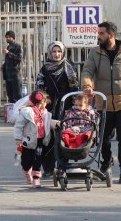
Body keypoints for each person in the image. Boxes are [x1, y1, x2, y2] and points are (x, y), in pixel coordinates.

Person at [81, 21, 121, 184]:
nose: (99, 36)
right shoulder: (95, 53)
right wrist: (87, 85)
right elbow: (87, 70)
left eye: (101, 33)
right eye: (98, 33)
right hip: (104, 103)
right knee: (103, 138)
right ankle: (107, 160)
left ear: (111, 35)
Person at [36, 41, 79, 177]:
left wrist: (76, 106)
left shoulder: (69, 67)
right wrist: (41, 102)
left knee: (64, 134)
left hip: (66, 106)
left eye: (59, 51)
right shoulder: (45, 68)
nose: (56, 54)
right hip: (48, 106)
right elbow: (39, 88)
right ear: (49, 53)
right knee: (47, 136)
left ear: (63, 52)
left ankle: (63, 165)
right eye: (54, 52)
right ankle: (48, 167)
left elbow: (75, 88)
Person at [14, 90, 59, 188]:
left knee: (38, 160)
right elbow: (19, 126)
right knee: (26, 161)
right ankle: (27, 171)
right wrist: (18, 138)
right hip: (28, 141)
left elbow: (48, 122)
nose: (46, 104)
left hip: (40, 140)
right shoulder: (26, 112)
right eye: (45, 102)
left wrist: (56, 123)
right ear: (40, 102)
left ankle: (36, 178)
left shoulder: (45, 112)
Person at [2, 30, 22, 103]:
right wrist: (4, 65)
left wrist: (8, 53)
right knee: (10, 95)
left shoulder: (17, 46)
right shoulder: (8, 47)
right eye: (6, 37)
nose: (7, 38)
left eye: (9, 37)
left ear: (13, 38)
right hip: (8, 75)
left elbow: (19, 58)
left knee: (17, 96)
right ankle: (12, 112)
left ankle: (18, 112)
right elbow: (9, 60)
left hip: (15, 75)